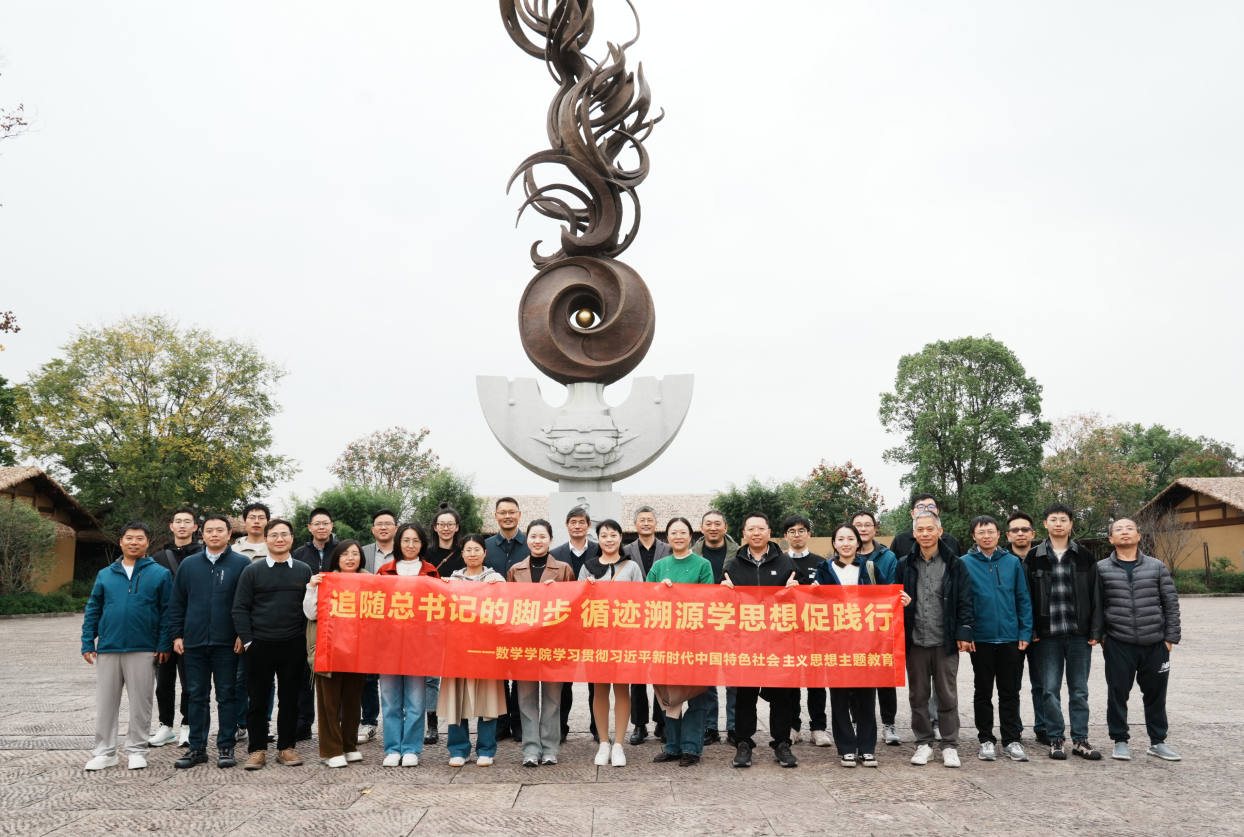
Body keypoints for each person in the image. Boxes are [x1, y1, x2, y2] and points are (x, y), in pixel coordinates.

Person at [81, 521, 172, 771]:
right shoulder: (106, 574)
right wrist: (88, 641)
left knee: (141, 703)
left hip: (144, 647)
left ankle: (137, 750)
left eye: (139, 538)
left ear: (147, 543)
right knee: (106, 703)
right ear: (121, 541)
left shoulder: (160, 574)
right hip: (108, 647)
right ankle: (105, 752)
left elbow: (167, 612)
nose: (134, 542)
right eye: (129, 538)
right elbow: (93, 608)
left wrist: (164, 643)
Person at [168, 514, 250, 769]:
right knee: (196, 696)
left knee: (227, 695)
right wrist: (176, 634)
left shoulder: (241, 563)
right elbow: (177, 602)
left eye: (220, 530)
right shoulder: (189, 564)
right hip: (193, 642)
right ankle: (197, 748)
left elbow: (248, 603)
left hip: (228, 643)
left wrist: (242, 634)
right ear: (201, 534)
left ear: (229, 534)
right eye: (209, 530)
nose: (214, 534)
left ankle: (226, 746)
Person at [1024, 503, 1104, 761]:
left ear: (1071, 524)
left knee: (1079, 690)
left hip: (1079, 635)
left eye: (1063, 519)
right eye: (1053, 519)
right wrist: (1031, 629)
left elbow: (1096, 596)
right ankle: (1056, 738)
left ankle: (1080, 739)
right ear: (1045, 524)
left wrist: (1095, 630)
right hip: (1046, 636)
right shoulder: (1033, 557)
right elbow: (1026, 597)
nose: (1058, 524)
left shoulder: (1085, 557)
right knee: (1049, 689)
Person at [721, 511, 801, 769]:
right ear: (744, 533)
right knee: (745, 695)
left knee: (781, 696)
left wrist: (797, 591)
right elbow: (723, 607)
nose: (756, 533)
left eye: (761, 528)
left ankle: (782, 743)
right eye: (751, 529)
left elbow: (802, 604)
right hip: (745, 642)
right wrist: (723, 593)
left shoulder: (787, 563)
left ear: (769, 532)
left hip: (779, 642)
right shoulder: (732, 565)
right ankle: (743, 743)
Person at [1098, 518, 1182, 762]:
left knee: (1156, 694)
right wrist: (1103, 638)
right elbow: (1096, 606)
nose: (1124, 532)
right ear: (1111, 539)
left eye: (1129, 528)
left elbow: (1170, 604)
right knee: (1117, 693)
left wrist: (1170, 638)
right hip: (1118, 642)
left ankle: (1157, 742)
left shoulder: (1156, 566)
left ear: (1138, 536)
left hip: (1154, 642)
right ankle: (1120, 741)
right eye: (1118, 529)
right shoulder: (1101, 569)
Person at [896, 511, 973, 769]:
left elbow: (965, 600)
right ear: (914, 534)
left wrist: (964, 633)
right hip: (915, 640)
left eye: (930, 529)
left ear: (940, 532)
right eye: (920, 530)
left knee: (947, 695)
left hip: (944, 640)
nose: (925, 534)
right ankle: (924, 743)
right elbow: (893, 598)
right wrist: (902, 604)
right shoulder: (904, 564)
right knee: (918, 696)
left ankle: (949, 745)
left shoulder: (955, 563)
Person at [233, 519, 312, 770]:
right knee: (257, 700)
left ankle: (286, 748)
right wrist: (248, 640)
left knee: (290, 700)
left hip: (293, 644)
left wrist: (304, 641)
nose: (280, 539)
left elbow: (309, 607)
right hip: (259, 644)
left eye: (284, 534)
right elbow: (240, 607)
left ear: (292, 538)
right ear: (266, 539)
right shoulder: (252, 570)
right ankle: (257, 749)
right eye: (274, 535)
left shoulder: (304, 570)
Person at [961, 515, 1032, 763]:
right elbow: (963, 601)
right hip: (980, 639)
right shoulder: (964, 563)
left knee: (1010, 691)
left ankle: (1011, 740)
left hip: (1010, 638)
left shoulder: (1012, 562)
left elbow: (1023, 598)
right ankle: (986, 740)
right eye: (981, 532)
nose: (986, 536)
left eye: (991, 531)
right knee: (983, 691)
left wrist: (1025, 632)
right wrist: (967, 633)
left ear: (999, 534)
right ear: (974, 536)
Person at [647, 517, 714, 766]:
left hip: (694, 640)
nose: (678, 536)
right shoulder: (659, 566)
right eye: (673, 532)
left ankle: (691, 748)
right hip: (665, 641)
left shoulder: (703, 565)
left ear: (690, 536)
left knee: (696, 695)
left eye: (683, 532)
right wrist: (659, 590)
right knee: (668, 696)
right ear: (667, 537)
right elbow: (645, 599)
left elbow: (707, 600)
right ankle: (673, 746)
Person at [814, 523, 880, 767]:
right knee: (839, 696)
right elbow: (814, 603)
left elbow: (885, 596)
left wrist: (900, 599)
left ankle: (867, 747)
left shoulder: (870, 568)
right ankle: (846, 748)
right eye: (840, 539)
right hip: (835, 642)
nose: (845, 543)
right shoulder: (824, 569)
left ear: (858, 542)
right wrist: (812, 592)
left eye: (850, 538)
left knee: (866, 696)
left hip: (866, 641)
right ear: (834, 543)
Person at [439, 534, 507, 766]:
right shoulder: (452, 580)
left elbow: (507, 608)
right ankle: (458, 749)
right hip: (457, 649)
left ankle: (486, 749)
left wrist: (499, 591)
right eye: (468, 550)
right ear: (462, 554)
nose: (472, 554)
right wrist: (442, 588)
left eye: (477, 549)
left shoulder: (496, 579)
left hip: (486, 649)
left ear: (485, 553)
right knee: (456, 699)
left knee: (487, 699)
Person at [376, 523, 441, 766]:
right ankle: (393, 748)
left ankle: (412, 748)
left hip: (419, 647)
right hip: (388, 646)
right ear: (398, 543)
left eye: (415, 540)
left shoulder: (431, 572)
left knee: (416, 700)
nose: (410, 545)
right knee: (390, 700)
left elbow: (439, 609)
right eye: (406, 540)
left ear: (422, 544)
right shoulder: (384, 571)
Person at [581, 519, 642, 766]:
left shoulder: (631, 567)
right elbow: (579, 602)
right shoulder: (588, 567)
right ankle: (603, 743)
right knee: (600, 690)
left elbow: (641, 601)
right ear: (598, 539)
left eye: (613, 535)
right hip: (597, 639)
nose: (609, 539)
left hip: (624, 639)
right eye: (604, 535)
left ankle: (619, 745)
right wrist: (587, 589)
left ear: (620, 538)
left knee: (622, 689)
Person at [509, 520, 570, 766]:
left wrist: (559, 591)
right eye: (533, 536)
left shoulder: (563, 569)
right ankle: (531, 749)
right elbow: (507, 606)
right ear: (527, 540)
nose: (537, 541)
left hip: (554, 644)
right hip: (524, 643)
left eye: (542, 536)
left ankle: (550, 747)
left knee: (553, 698)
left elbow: (573, 605)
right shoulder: (515, 570)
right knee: (526, 698)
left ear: (550, 539)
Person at [304, 539, 368, 768]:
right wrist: (312, 588)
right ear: (337, 559)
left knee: (353, 701)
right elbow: (311, 614)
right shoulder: (325, 580)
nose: (350, 558)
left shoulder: (371, 582)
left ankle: (349, 746)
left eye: (355, 554)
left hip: (358, 650)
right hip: (328, 648)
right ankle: (331, 750)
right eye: (345, 554)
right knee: (328, 702)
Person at [148, 507, 201, 749]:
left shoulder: (203, 556)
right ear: (171, 526)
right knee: (164, 681)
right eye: (178, 521)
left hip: (193, 628)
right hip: (163, 627)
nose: (182, 525)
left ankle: (188, 726)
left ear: (195, 527)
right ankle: (166, 726)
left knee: (191, 682)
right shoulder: (158, 558)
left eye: (187, 521)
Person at [852, 510, 902, 747]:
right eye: (858, 525)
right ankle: (856, 721)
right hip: (852, 626)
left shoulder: (888, 556)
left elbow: (892, 588)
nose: (863, 529)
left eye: (867, 525)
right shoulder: (843, 555)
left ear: (875, 528)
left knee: (885, 676)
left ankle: (888, 723)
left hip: (881, 625)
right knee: (854, 677)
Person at [550, 505, 600, 742]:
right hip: (565, 625)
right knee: (563, 681)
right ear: (567, 525)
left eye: (582, 522)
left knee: (596, 681)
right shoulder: (555, 554)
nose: (577, 526)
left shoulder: (601, 550)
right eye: (573, 522)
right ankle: (560, 728)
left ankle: (598, 727)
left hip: (594, 623)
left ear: (588, 525)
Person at [622, 506, 671, 745]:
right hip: (634, 619)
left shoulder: (668, 549)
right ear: (635, 524)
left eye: (650, 519)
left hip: (662, 618)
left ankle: (662, 722)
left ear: (656, 523)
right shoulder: (625, 551)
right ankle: (639, 725)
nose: (646, 523)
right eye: (641, 520)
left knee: (661, 672)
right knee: (637, 674)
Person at [290, 506, 336, 743]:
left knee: (334, 676)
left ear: (331, 526)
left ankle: (337, 723)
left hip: (337, 622)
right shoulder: (299, 553)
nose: (321, 527)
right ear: (309, 528)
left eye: (325, 523)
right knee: (304, 676)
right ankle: (303, 723)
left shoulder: (341, 551)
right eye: (316, 523)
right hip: (305, 622)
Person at [484, 497, 529, 741]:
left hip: (524, 619)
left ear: (519, 515)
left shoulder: (530, 544)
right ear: (496, 516)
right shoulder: (485, 546)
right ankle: (501, 721)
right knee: (498, 673)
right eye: (503, 512)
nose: (507, 516)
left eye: (512, 512)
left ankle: (519, 721)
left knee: (521, 673)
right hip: (493, 620)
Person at [782, 514, 829, 747]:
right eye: (792, 531)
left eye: (801, 530)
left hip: (814, 632)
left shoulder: (822, 563)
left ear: (809, 534)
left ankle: (818, 728)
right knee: (790, 683)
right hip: (787, 632)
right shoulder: (779, 562)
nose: (797, 535)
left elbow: (832, 597)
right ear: (785, 536)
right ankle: (793, 727)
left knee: (816, 682)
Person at [693, 509, 738, 745]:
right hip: (701, 623)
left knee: (733, 677)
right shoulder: (691, 555)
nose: (713, 528)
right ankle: (709, 726)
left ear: (725, 528)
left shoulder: (740, 554)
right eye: (708, 524)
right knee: (706, 678)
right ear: (702, 528)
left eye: (717, 524)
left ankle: (734, 726)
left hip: (732, 622)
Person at [1005, 511, 1046, 745]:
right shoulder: (1002, 560)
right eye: (1015, 530)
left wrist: (1036, 628)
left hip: (1042, 633)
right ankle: (1015, 728)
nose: (1020, 533)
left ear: (1033, 533)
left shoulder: (1044, 558)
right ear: (1008, 535)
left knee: (1042, 684)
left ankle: (1043, 727)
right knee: (1012, 685)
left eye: (1025, 529)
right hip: (1012, 633)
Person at [358, 508, 399, 744]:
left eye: (388, 524)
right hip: (368, 624)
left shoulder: (405, 552)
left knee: (397, 676)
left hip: (398, 623)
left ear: (396, 528)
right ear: (373, 529)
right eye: (379, 524)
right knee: (369, 677)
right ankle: (369, 722)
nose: (383, 527)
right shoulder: (361, 553)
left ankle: (399, 722)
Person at [425, 506, 464, 745]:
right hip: (432, 620)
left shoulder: (465, 553)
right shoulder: (426, 554)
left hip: (459, 622)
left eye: (450, 524)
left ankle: (456, 724)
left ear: (457, 527)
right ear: (435, 527)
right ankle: (431, 725)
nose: (446, 528)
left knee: (455, 675)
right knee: (431, 677)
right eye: (442, 524)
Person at [232, 502, 270, 744]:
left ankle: (265, 722)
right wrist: (240, 631)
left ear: (267, 522)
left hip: (268, 624)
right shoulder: (232, 552)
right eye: (252, 517)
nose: (256, 521)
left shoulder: (276, 547)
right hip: (240, 623)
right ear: (244, 521)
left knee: (267, 678)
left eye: (261, 517)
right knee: (239, 677)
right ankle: (240, 723)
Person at [889, 495, 962, 563]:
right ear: (912, 513)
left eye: (931, 506)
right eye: (920, 506)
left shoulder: (951, 541)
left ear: (938, 512)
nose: (926, 510)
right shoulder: (899, 541)